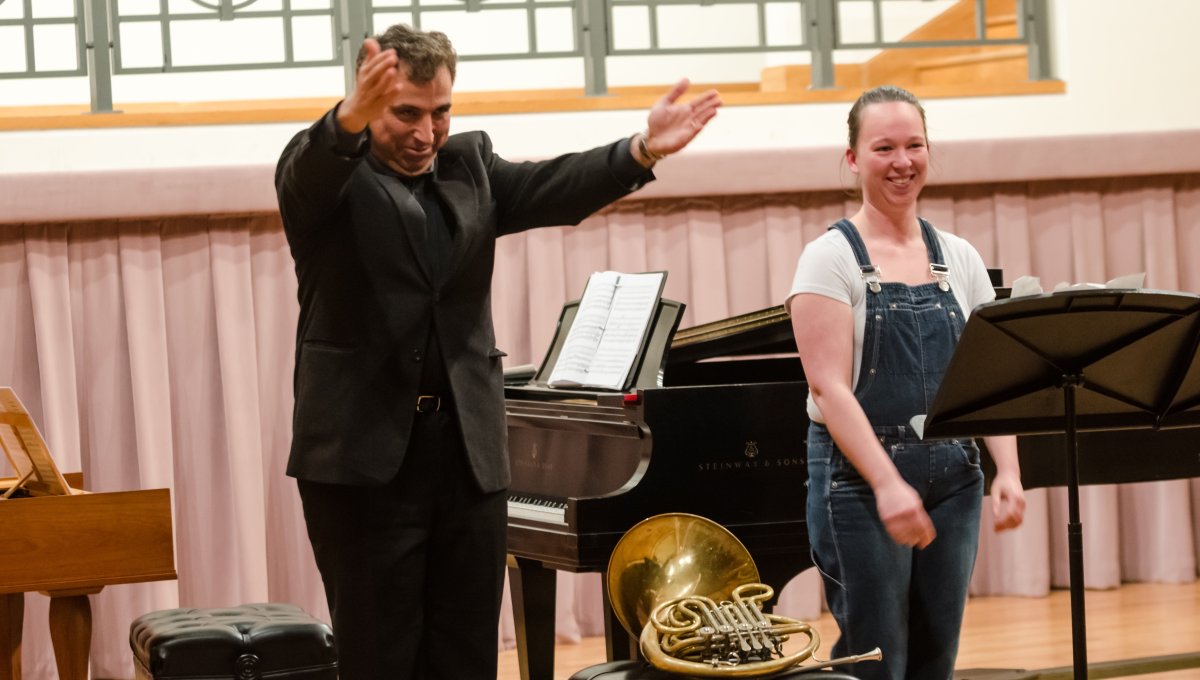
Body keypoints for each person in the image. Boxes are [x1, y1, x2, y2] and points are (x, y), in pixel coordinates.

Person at [274, 22, 720, 680]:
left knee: (468, 655)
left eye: (440, 112)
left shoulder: (469, 165)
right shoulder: (328, 179)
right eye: (406, 114)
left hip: (467, 456)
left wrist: (642, 148)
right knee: (380, 656)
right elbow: (310, 167)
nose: (427, 133)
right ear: (366, 105)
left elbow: (554, 186)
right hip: (364, 461)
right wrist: (347, 120)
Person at [786, 85, 1026, 680]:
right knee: (877, 659)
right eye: (884, 148)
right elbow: (829, 390)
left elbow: (991, 376)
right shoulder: (828, 258)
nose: (902, 162)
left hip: (955, 477)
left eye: (914, 145)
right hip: (858, 484)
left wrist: (1009, 471)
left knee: (936, 655)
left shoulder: (959, 257)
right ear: (853, 159)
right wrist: (888, 484)